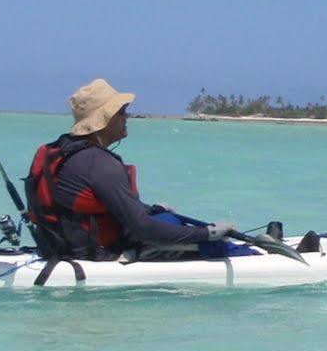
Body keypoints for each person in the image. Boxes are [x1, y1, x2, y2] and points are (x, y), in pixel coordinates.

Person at [25, 78, 241, 259]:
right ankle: (248, 254)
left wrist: (149, 208)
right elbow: (143, 229)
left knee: (167, 220)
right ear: (105, 120)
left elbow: (106, 205)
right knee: (217, 248)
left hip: (60, 246)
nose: (126, 117)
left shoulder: (63, 150)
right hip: (96, 254)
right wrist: (208, 233)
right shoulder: (99, 163)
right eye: (121, 112)